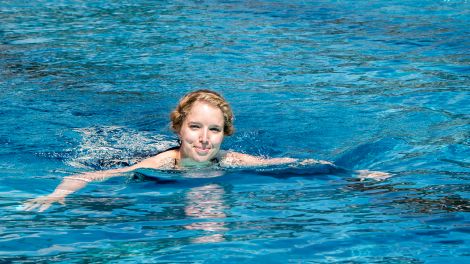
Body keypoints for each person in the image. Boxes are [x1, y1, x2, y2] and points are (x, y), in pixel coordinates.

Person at [24, 89, 390, 212]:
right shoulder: (163, 160)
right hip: (125, 160)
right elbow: (91, 174)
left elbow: (299, 164)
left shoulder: (233, 160)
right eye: (195, 127)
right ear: (179, 130)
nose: (203, 138)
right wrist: (58, 194)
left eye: (213, 130)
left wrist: (354, 174)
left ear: (225, 135)